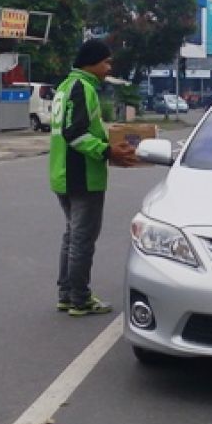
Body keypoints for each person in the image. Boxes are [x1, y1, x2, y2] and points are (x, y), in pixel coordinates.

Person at [50, 38, 137, 315]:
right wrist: (106, 151)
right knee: (82, 240)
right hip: (82, 175)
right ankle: (80, 298)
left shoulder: (66, 86)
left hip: (63, 173)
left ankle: (66, 293)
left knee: (72, 236)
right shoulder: (81, 88)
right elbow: (74, 133)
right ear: (91, 62)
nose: (109, 67)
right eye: (106, 61)